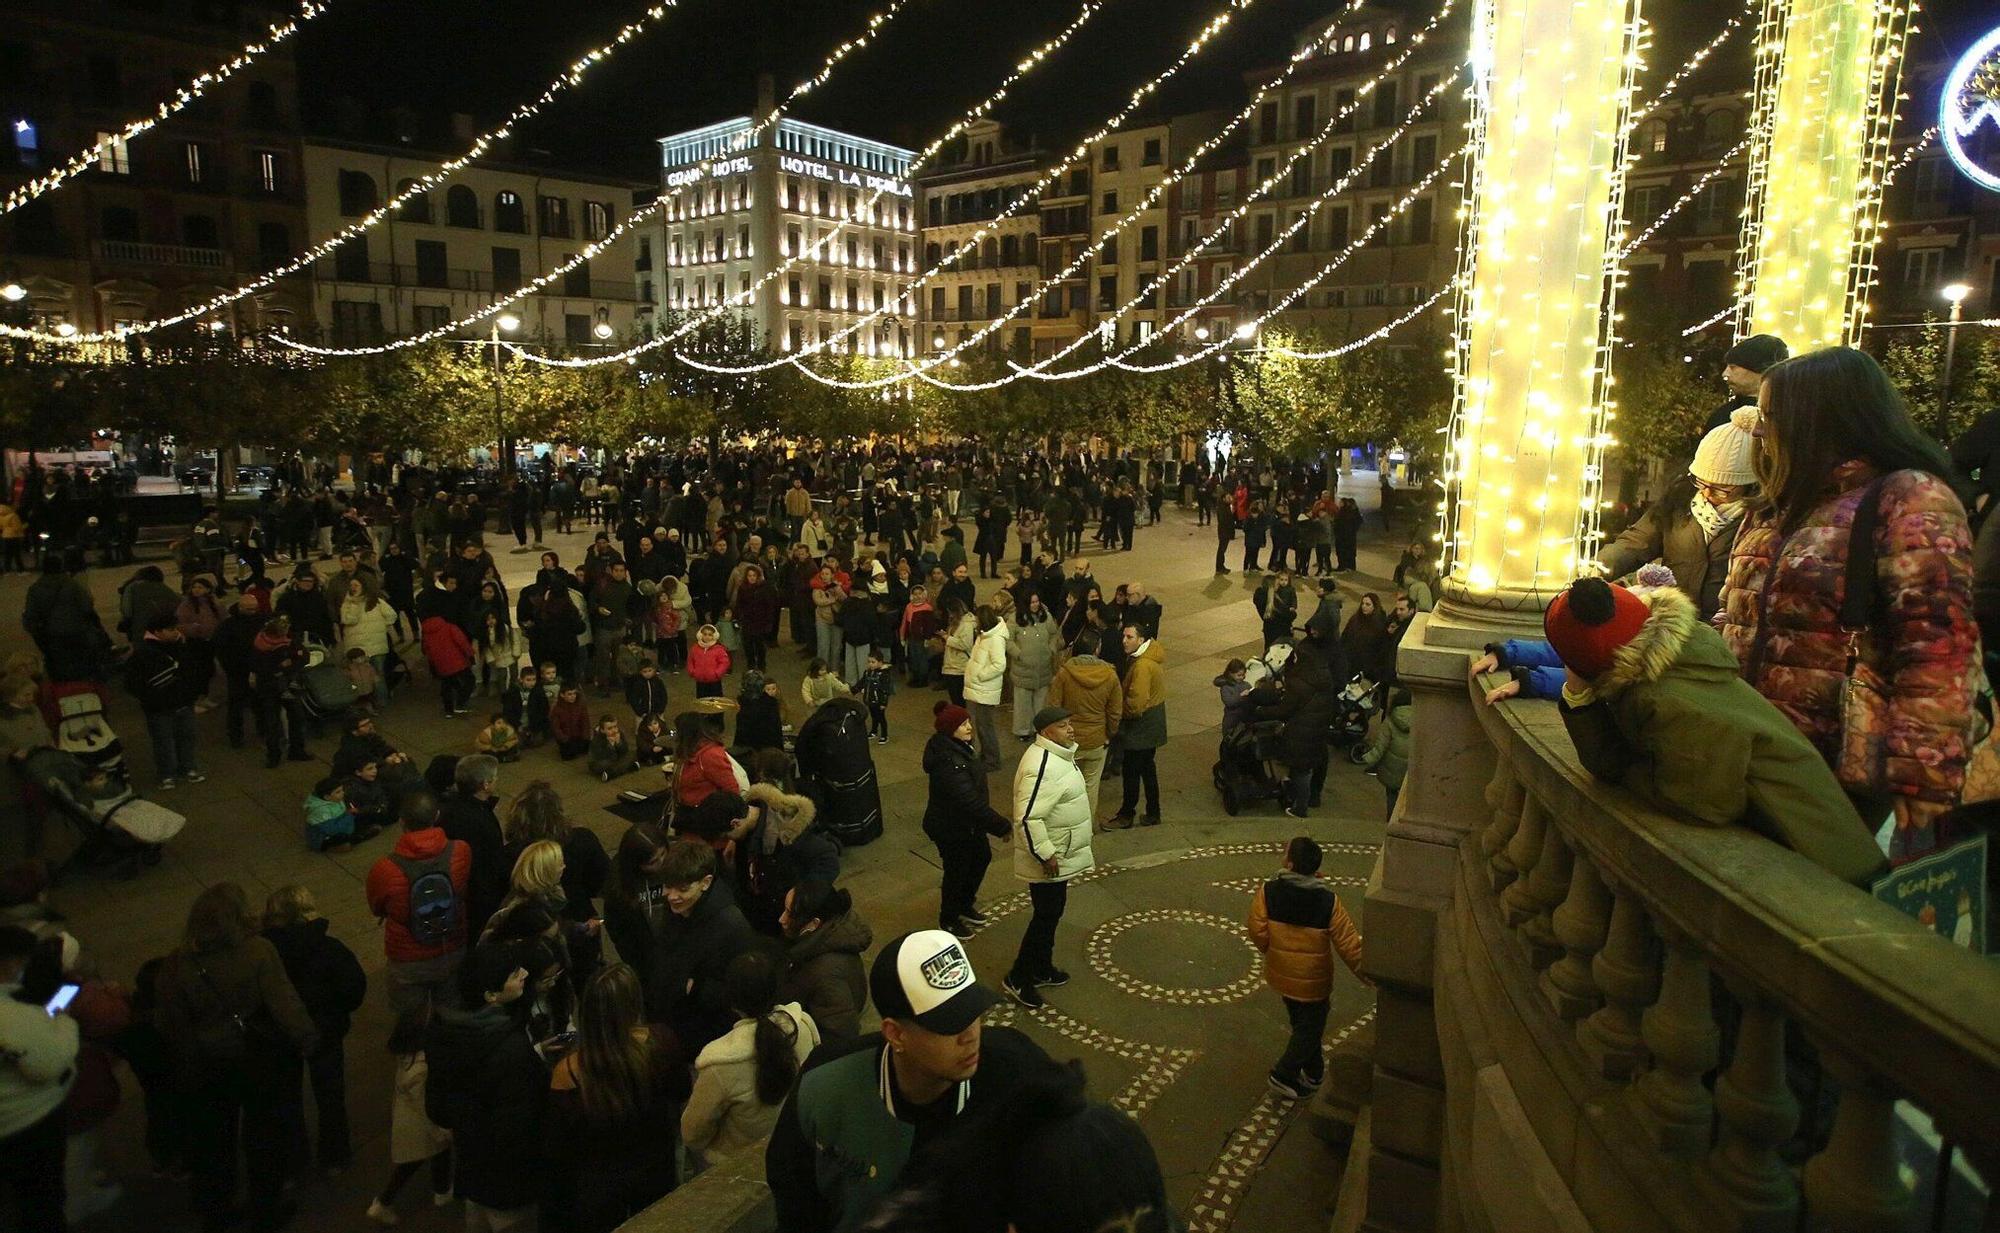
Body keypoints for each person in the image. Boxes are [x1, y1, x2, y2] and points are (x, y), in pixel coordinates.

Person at [1717, 347, 1977, 863]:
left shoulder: (1907, 499)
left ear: (1819, 419)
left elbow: (1935, 645)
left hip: (1836, 762)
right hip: (1750, 746)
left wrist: (1920, 772)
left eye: (1771, 415)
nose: (1760, 430)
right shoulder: (1772, 507)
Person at [1548, 577, 1891, 884]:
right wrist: (1580, 698)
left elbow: (1700, 803)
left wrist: (1629, 769)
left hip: (1833, 875)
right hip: (1801, 858)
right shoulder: (1667, 669)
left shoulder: (1675, 701)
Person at [765, 929, 1050, 1233]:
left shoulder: (1019, 1071)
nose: (970, 1036)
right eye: (949, 1023)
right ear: (896, 1034)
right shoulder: (825, 1083)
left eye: (973, 1013)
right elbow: (793, 1197)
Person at [157, 883, 318, 1233]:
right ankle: (265, 1208)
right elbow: (284, 1003)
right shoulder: (257, 951)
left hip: (208, 1062)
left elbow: (171, 1021)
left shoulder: (178, 964)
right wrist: (306, 1037)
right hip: (254, 1056)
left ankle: (217, 1212)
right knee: (264, 1137)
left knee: (215, 1142)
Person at [543, 963, 690, 1233]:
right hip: (654, 1168)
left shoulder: (567, 1072)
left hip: (599, 1184)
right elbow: (681, 1092)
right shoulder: (661, 1043)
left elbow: (560, 1145)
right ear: (634, 1004)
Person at [424, 945, 552, 1233]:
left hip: (473, 1172)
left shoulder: (444, 1033)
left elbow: (437, 1109)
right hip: (511, 1182)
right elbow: (522, 1124)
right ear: (491, 995)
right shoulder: (508, 1049)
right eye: (514, 973)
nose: (525, 973)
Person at [1594, 408, 1759, 620]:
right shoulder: (1679, 501)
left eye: (1722, 488)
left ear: (1749, 485)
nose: (1707, 493)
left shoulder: (1760, 521)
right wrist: (1597, 567)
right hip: (1674, 623)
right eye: (1701, 482)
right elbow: (1635, 542)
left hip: (1725, 628)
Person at [1250, 837, 1368, 1100]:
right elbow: (1349, 945)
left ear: (1290, 864)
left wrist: (1272, 951)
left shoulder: (1269, 892)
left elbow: (1257, 929)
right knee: (1311, 1026)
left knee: (1303, 1024)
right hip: (1313, 980)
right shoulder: (1328, 901)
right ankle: (1283, 1074)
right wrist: (1368, 975)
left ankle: (1314, 1073)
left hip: (1282, 974)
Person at [261, 885, 367, 1176]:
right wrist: (336, 1014)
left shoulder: (265, 954)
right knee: (330, 1096)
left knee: (288, 1099)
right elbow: (354, 988)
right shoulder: (330, 948)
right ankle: (334, 1156)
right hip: (326, 1032)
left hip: (282, 1035)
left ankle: (294, 1161)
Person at [683, 943, 821, 1159]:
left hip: (737, 1163)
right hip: (796, 1148)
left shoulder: (718, 1062)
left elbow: (692, 1134)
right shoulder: (803, 1025)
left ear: (732, 1001)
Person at [1001, 707, 1094, 1010]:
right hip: (1049, 858)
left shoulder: (1057, 757)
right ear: (1045, 732)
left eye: (1070, 724)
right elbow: (1028, 817)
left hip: (1058, 853)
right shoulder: (1042, 764)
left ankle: (1041, 968)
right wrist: (1046, 854)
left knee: (1051, 913)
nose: (1070, 730)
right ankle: (1018, 977)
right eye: (1063, 726)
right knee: (1045, 917)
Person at [366, 790, 475, 1014]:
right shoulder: (461, 851)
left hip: (407, 955)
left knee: (410, 1016)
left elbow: (377, 907)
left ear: (401, 822)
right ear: (436, 816)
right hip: (451, 944)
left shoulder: (384, 869)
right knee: (450, 1010)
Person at [0, 924, 78, 1232]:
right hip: (27, 1127)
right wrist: (63, 1017)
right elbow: (49, 1062)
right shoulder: (10, 1017)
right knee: (42, 1203)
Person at [655, 839, 757, 1054]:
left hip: (706, 1030)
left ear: (705, 882)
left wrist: (697, 988)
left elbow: (741, 987)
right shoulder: (678, 906)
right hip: (675, 1015)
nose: (671, 896)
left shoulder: (732, 926)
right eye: (667, 886)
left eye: (682, 889)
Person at [922, 703, 1010, 937]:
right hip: (951, 827)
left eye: (968, 722)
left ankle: (963, 903)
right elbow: (968, 801)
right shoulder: (949, 761)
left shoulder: (961, 747)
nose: (969, 727)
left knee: (981, 857)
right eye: (962, 724)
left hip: (968, 824)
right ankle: (949, 918)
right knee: (957, 871)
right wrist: (1001, 826)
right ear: (950, 729)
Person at [367, 1004, 454, 1226]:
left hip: (411, 1122)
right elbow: (426, 1107)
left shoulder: (407, 1056)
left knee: (438, 1153)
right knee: (412, 1165)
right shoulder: (422, 1068)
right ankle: (383, 1203)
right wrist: (442, 1130)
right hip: (421, 1127)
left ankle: (442, 1190)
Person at [777, 880, 873, 1043]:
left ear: (814, 923)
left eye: (789, 913)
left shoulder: (826, 976)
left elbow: (841, 1034)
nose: (782, 919)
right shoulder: (821, 940)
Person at [126, 611, 205, 789]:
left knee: (186, 737)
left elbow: (191, 670)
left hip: (182, 702)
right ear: (157, 631)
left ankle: (187, 768)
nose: (176, 632)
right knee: (164, 741)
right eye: (171, 629)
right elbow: (132, 683)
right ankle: (168, 773)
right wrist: (151, 698)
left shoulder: (178, 646)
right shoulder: (144, 653)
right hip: (160, 707)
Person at [438, 755, 509, 940]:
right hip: (481, 895)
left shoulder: (450, 809)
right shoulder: (480, 818)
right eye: (494, 778)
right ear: (485, 785)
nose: (497, 781)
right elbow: (491, 859)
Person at [1104, 624, 1166, 829]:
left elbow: (1136, 704)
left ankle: (1126, 815)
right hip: (1152, 724)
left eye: (1129, 637)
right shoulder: (1148, 658)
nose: (1124, 640)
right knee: (1148, 769)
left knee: (1131, 771)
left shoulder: (1142, 666)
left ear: (1141, 640)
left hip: (1141, 727)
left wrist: (1121, 714)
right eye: (1124, 636)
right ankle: (1153, 812)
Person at [1706, 333, 1788, 435]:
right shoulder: (1722, 417)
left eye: (1733, 367)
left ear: (1760, 368)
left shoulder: (1788, 415)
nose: (1725, 374)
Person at [1006, 595, 1059, 740]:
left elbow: (1054, 635)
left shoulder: (1046, 616)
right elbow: (1008, 640)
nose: (1035, 605)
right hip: (1022, 669)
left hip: (1043, 668)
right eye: (1032, 602)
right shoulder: (1014, 618)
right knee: (1022, 703)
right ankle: (1022, 730)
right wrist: (1018, 654)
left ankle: (1038, 728)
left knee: (1041, 702)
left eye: (1037, 601)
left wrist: (1051, 649)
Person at [963, 608, 1009, 771]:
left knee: (985, 726)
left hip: (985, 689)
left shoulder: (995, 639)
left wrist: (980, 675)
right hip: (979, 688)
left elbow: (999, 664)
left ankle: (992, 760)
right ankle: (986, 755)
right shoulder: (984, 636)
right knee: (981, 725)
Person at [1359, 689, 1413, 820]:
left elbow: (1381, 746)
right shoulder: (1421, 721)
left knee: (1392, 793)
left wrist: (1368, 758)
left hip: (1392, 768)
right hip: (1411, 768)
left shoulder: (1390, 721)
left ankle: (1390, 818)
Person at [1253, 570, 1299, 651]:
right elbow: (1289, 615)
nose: (1279, 586)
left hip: (1268, 629)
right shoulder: (1273, 602)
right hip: (1280, 631)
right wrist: (1292, 612)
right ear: (1272, 587)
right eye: (1277, 584)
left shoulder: (1261, 598)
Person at [588, 715, 637, 782]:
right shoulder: (597, 740)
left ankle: (611, 772)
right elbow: (602, 756)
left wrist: (619, 743)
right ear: (602, 730)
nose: (614, 730)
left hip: (617, 759)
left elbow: (625, 751)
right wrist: (611, 745)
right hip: (601, 761)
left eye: (615, 727)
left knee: (633, 754)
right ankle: (625, 768)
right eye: (609, 728)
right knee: (605, 764)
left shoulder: (619, 733)